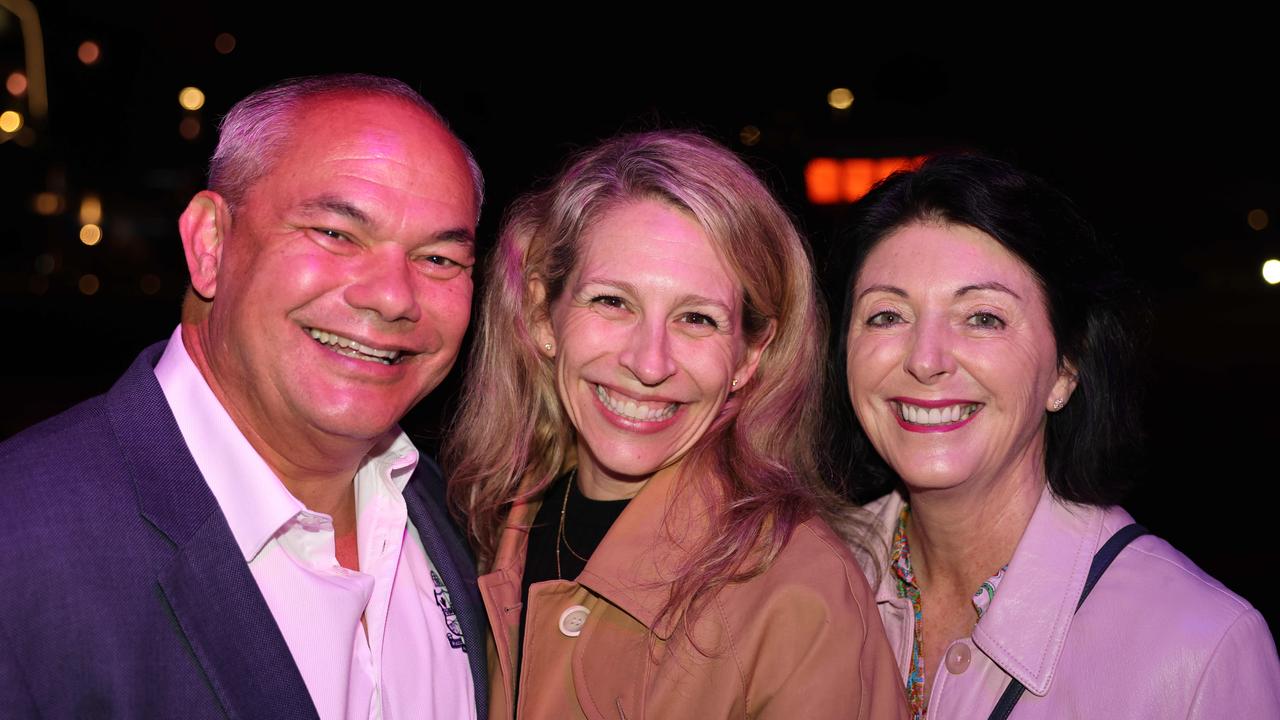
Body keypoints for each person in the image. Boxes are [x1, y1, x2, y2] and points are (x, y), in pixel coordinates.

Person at [0, 74, 489, 719]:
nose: (394, 296)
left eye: (438, 260)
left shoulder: (462, 519)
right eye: (336, 234)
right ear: (210, 243)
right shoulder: (25, 541)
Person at [445, 130, 908, 719]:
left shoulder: (801, 597)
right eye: (612, 302)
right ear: (543, 316)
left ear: (748, 356)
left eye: (697, 318)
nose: (649, 362)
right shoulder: (488, 526)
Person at [838, 153, 1280, 718]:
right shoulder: (791, 574)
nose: (925, 361)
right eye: (887, 316)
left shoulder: (1200, 649)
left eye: (982, 318)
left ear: (1065, 370)